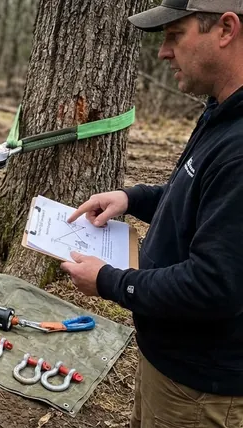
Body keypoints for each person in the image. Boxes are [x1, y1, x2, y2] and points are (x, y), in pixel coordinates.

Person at [61, 1, 243, 427]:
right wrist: (134, 198)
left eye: (175, 35)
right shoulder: (222, 111)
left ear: (226, 29)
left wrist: (110, 281)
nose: (163, 52)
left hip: (202, 390)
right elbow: (200, 203)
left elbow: (214, 285)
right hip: (173, 363)